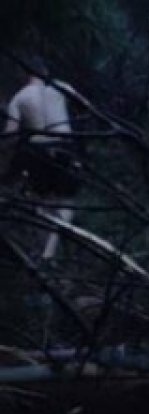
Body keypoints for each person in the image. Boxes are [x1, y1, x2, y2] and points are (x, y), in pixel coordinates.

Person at [4, 56, 79, 261]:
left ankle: (41, 250)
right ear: (44, 73)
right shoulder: (61, 88)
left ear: (24, 76)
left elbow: (10, 133)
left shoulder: (19, 98)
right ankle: (49, 253)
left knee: (41, 200)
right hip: (64, 147)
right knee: (65, 203)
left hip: (38, 152)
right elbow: (85, 107)